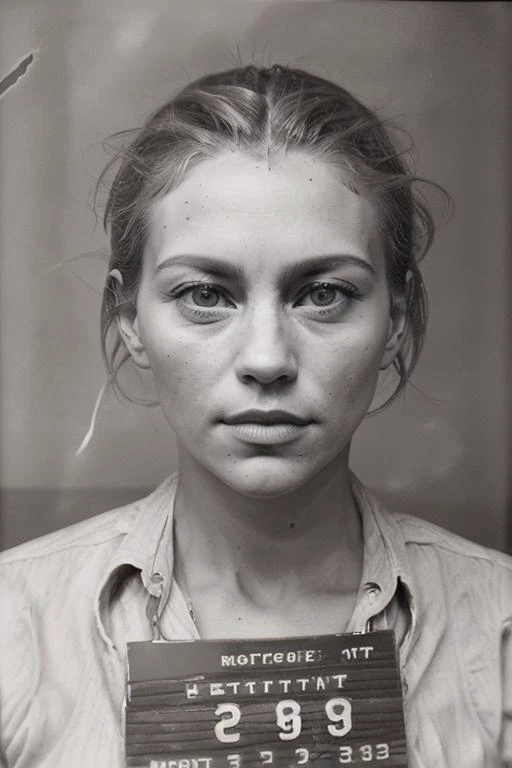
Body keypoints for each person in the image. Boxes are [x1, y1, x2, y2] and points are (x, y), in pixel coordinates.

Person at [0, 64, 510, 768]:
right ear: (130, 320)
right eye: (205, 294)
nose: (267, 358)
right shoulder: (12, 627)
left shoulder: (502, 634)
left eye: (323, 293)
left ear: (394, 318)